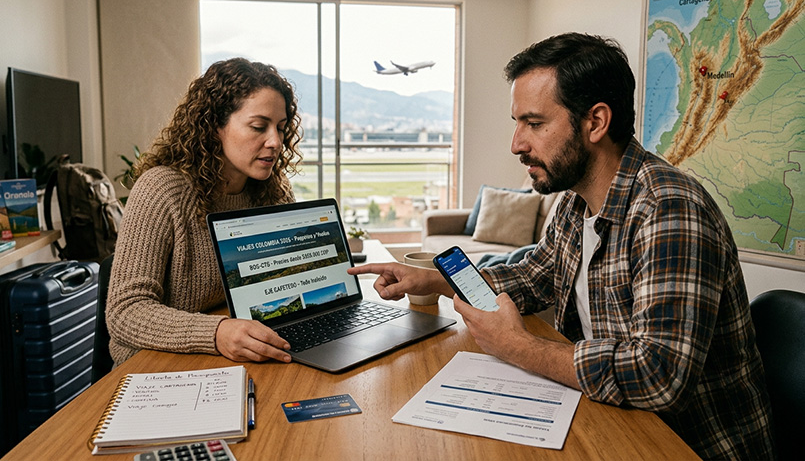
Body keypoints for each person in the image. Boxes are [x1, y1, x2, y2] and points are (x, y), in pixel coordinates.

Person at [350, 33, 775, 460]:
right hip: (609, 420)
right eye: (517, 123)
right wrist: (435, 279)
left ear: (595, 122)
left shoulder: (670, 210)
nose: (516, 143)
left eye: (534, 124)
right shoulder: (576, 200)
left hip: (685, 445)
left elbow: (657, 376)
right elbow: (532, 277)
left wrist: (519, 347)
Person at [106, 58, 302, 367]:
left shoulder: (274, 190)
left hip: (234, 357)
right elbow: (125, 312)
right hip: (156, 367)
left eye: (280, 128)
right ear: (215, 127)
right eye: (258, 127)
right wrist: (217, 333)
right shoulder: (162, 190)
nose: (275, 142)